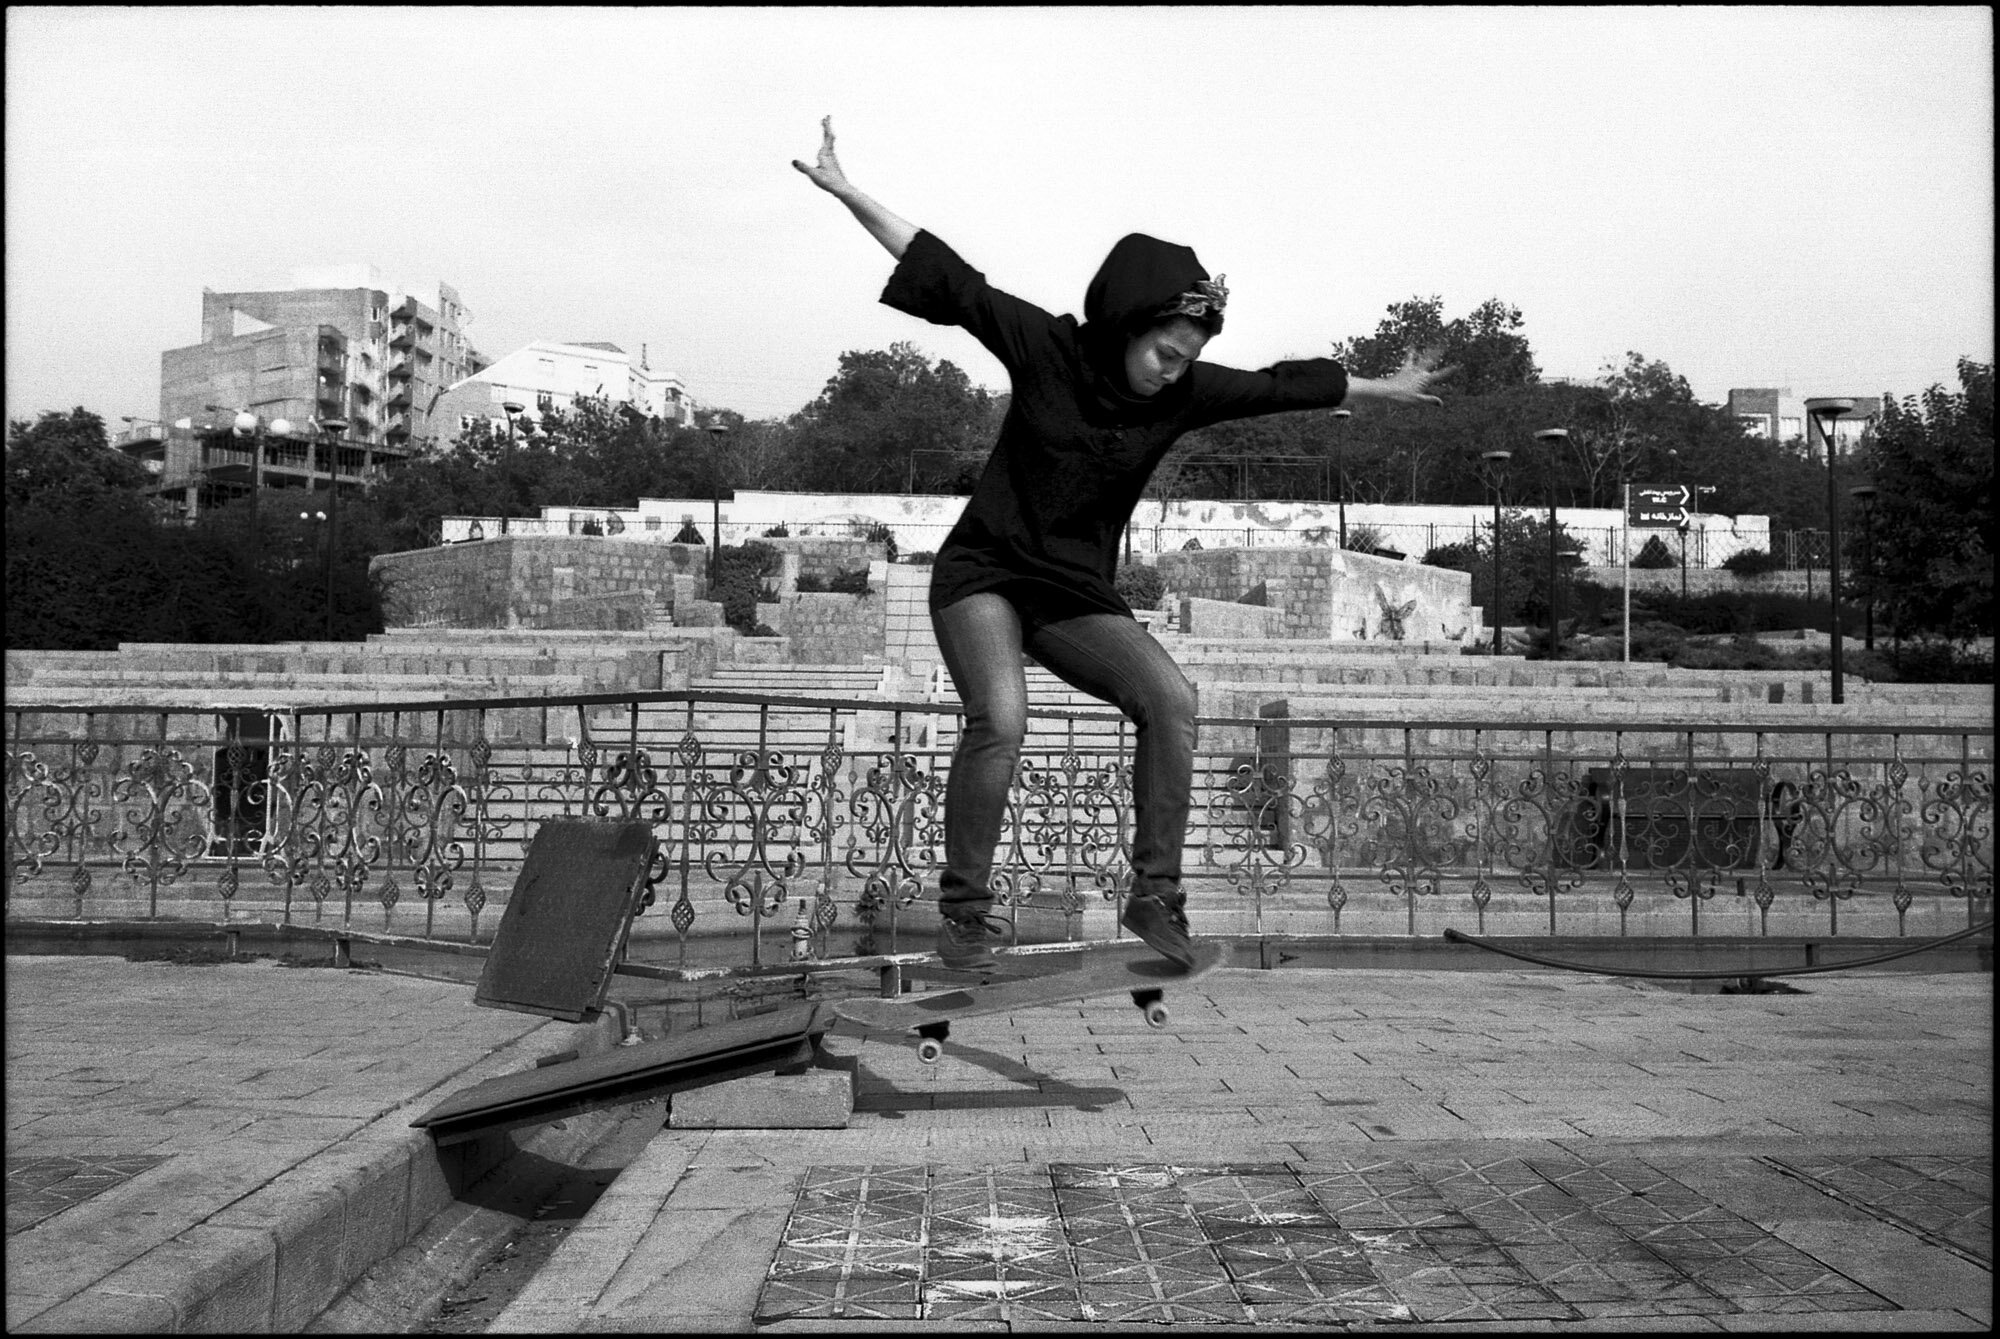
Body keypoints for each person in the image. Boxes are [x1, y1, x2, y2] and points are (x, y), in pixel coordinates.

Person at [795, 117, 1451, 970]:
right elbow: (951, 278)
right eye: (1165, 353)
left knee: (1171, 700)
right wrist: (849, 192)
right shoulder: (1047, 347)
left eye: (1187, 361)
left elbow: (1282, 384)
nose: (1172, 372)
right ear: (1129, 323)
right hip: (983, 576)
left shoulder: (1179, 394)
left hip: (1072, 594)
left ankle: (1155, 895)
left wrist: (1384, 387)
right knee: (1002, 716)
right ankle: (964, 912)